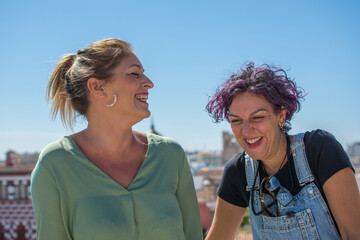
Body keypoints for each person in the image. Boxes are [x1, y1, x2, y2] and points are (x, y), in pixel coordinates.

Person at [31, 38, 203, 240]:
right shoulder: (54, 165)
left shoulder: (171, 155)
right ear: (97, 87)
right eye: (134, 74)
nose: (149, 83)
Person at [204, 62, 360, 240]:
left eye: (258, 117)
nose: (245, 131)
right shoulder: (238, 171)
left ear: (281, 115)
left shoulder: (319, 150)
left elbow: (353, 234)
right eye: (236, 120)